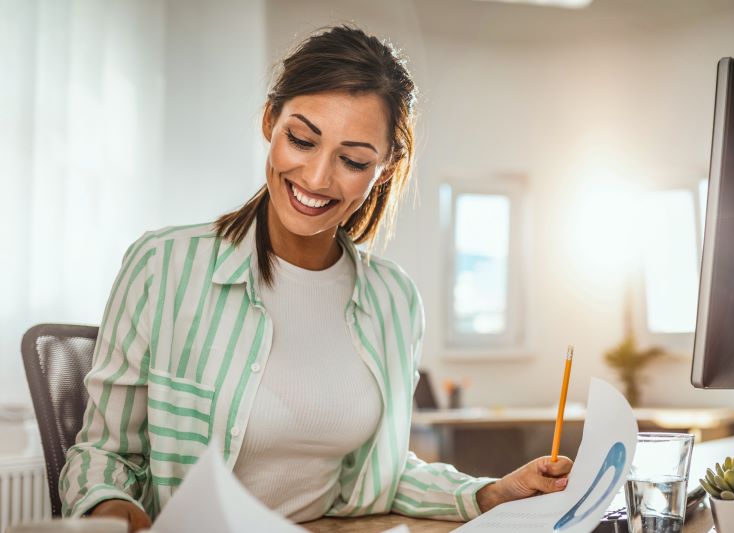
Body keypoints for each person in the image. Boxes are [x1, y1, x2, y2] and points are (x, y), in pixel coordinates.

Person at [59, 24, 573, 532]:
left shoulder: (395, 301)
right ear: (270, 120)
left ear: (385, 170)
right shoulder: (163, 266)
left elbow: (383, 478)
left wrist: (490, 493)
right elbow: (102, 458)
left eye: (352, 160)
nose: (317, 178)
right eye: (302, 140)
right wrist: (115, 514)